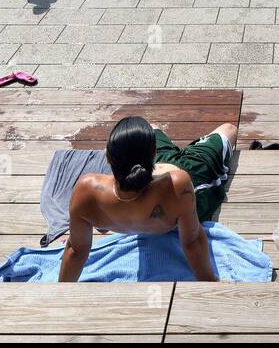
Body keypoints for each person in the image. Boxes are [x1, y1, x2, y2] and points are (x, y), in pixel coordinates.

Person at [58, 116, 237, 282]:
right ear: (154, 154)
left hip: (150, 173)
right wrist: (210, 282)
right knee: (229, 129)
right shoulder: (178, 185)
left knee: (147, 124)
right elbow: (192, 242)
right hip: (192, 171)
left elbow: (76, 251)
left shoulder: (86, 191)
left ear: (107, 157)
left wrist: (60, 293)